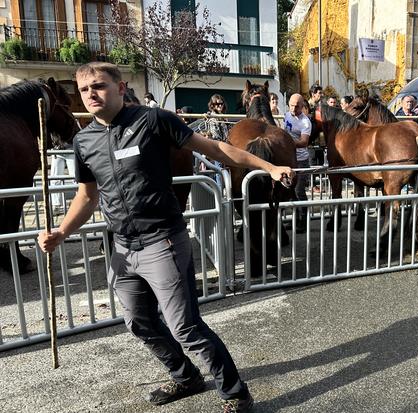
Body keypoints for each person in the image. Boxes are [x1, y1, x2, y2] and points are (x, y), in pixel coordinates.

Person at [37, 62, 293, 413]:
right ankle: (185, 376)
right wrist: (61, 232)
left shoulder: (153, 121)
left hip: (163, 242)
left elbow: (216, 149)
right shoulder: (84, 141)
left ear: (121, 87)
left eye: (99, 86)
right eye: (84, 90)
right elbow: (87, 195)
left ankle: (236, 395)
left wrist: (270, 167)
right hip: (123, 249)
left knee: (185, 327)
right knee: (139, 322)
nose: (91, 94)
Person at [283, 93, 312, 232]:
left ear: (302, 106)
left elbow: (304, 142)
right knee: (290, 192)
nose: (294, 109)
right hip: (289, 159)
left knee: (299, 191)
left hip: (301, 161)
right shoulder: (287, 115)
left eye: (297, 106)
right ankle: (295, 219)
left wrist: (286, 143)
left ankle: (304, 222)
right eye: (292, 105)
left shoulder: (305, 122)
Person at [50, 141, 75, 214]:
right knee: (55, 178)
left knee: (76, 178)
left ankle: (79, 201)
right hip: (57, 150)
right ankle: (56, 204)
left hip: (71, 148)